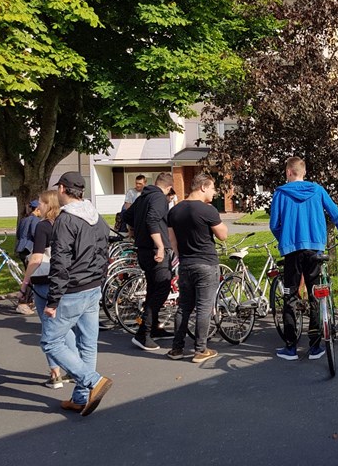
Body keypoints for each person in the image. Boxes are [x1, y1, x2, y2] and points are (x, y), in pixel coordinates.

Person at [40, 171, 113, 416]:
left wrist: (53, 300)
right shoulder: (96, 216)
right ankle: (81, 398)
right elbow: (105, 250)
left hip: (72, 290)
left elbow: (60, 262)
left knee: (51, 342)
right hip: (93, 287)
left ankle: (93, 380)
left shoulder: (65, 220)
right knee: (88, 344)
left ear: (62, 189)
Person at [269, 156, 338, 361]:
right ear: (303, 172)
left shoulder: (280, 193)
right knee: (316, 295)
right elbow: (336, 214)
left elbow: (274, 224)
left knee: (290, 296)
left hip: (292, 252)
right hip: (315, 249)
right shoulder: (317, 190)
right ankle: (315, 347)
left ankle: (290, 348)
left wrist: (285, 239)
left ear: (288, 172)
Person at [166, 173, 227, 363]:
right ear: (203, 187)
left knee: (184, 307)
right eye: (212, 188)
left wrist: (181, 256)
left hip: (186, 264)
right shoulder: (207, 210)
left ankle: (176, 348)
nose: (214, 192)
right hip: (206, 263)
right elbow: (223, 235)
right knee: (203, 307)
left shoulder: (174, 211)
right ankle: (200, 350)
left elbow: (172, 240)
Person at [20, 190, 78, 388]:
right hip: (64, 280)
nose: (39, 207)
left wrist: (24, 283)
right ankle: (73, 367)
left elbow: (36, 258)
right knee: (65, 326)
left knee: (48, 326)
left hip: (44, 279)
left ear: (48, 204)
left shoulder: (43, 226)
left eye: (42, 203)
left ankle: (55, 373)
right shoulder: (67, 222)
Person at [122, 172, 175, 351]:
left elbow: (127, 216)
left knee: (153, 288)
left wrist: (134, 231)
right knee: (162, 288)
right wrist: (160, 246)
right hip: (155, 251)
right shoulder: (159, 198)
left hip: (143, 250)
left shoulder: (142, 197)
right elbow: (152, 219)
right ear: (168, 188)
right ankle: (143, 334)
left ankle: (154, 328)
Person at [15, 199, 41, 314]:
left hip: (21, 248)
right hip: (28, 249)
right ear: (37, 209)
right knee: (30, 277)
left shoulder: (23, 220)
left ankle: (27, 300)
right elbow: (36, 235)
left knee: (28, 274)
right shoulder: (35, 220)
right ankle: (24, 302)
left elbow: (18, 234)